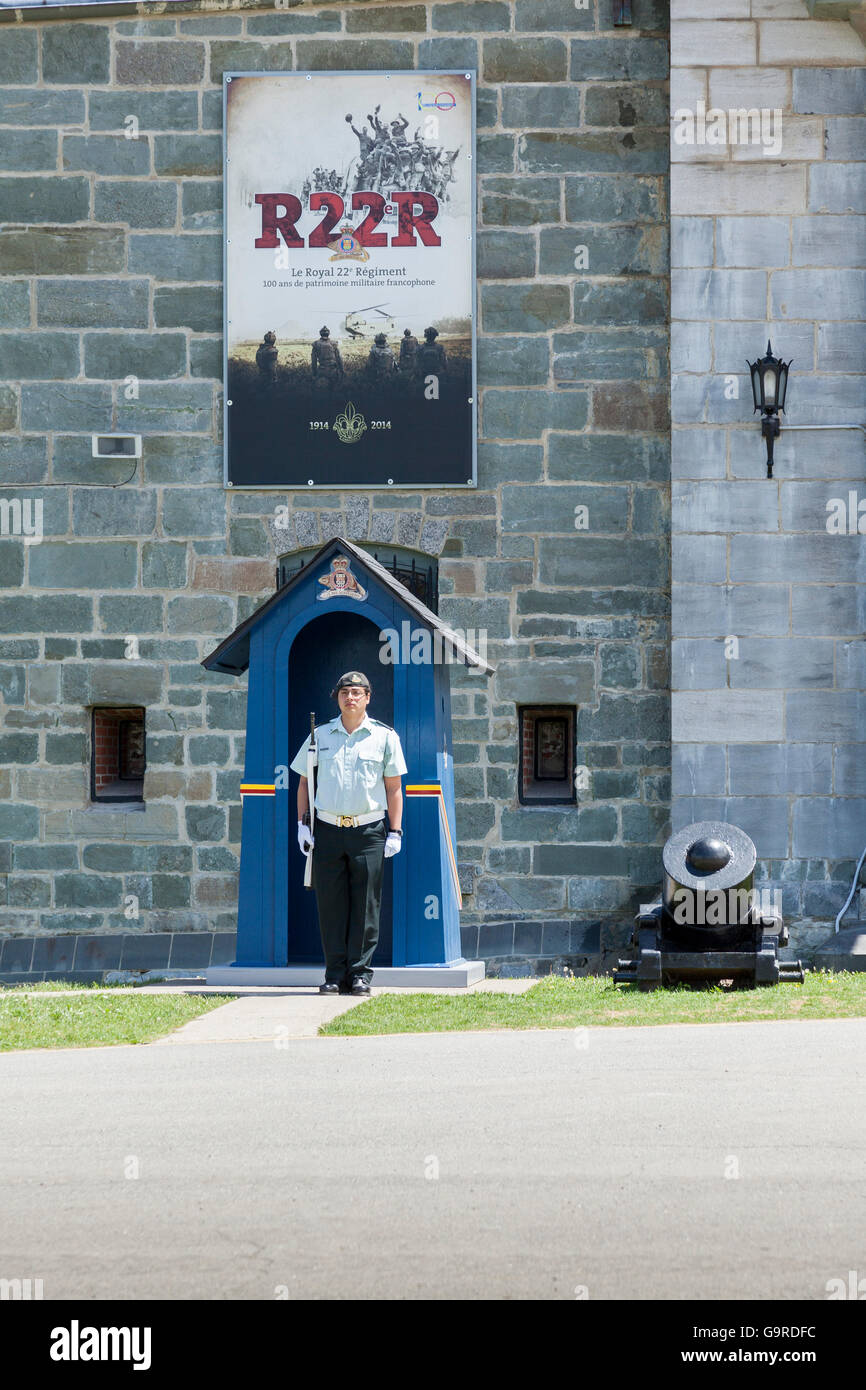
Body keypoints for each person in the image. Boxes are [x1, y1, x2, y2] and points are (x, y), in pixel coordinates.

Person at [290, 672, 407, 996]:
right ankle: (333, 975)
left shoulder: (384, 737)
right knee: (331, 907)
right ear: (337, 697)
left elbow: (394, 787)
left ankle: (359, 975)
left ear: (368, 697)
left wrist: (395, 831)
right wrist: (303, 824)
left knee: (366, 906)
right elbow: (303, 782)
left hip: (368, 830)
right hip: (327, 830)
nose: (350, 698)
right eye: (345, 692)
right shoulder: (320, 735)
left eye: (357, 692)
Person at [311, 325, 343, 390]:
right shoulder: (334, 344)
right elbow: (339, 359)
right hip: (333, 371)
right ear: (328, 334)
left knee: (322, 392)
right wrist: (342, 371)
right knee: (334, 391)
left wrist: (314, 373)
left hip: (322, 371)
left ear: (320, 334)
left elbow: (313, 361)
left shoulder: (316, 344)